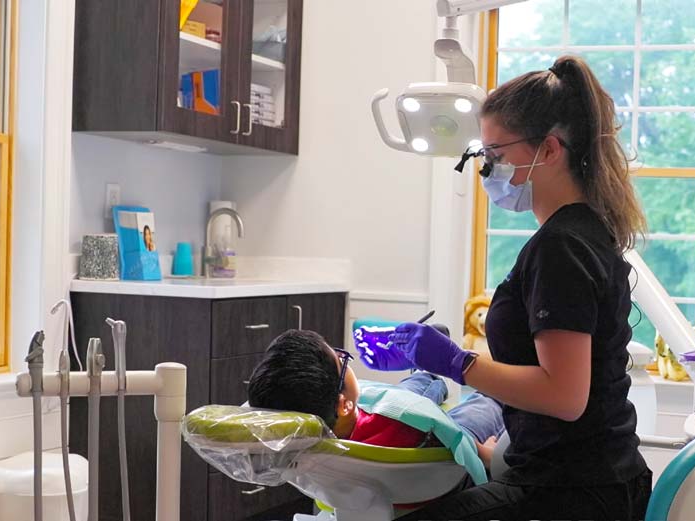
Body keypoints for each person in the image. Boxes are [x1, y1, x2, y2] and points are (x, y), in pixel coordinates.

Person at [384, 55, 653, 521]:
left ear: (549, 150)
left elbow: (564, 397)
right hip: (588, 480)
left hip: (576, 495)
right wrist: (504, 452)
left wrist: (455, 362)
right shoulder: (581, 232)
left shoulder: (562, 248)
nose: (488, 169)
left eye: (496, 154)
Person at [246, 329, 505, 464]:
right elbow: (453, 437)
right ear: (344, 405)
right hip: (432, 455)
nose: (346, 361)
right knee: (484, 402)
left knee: (411, 386)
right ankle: (434, 377)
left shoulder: (297, 436)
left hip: (366, 423)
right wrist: (484, 454)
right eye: (343, 363)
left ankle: (425, 374)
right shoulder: (403, 424)